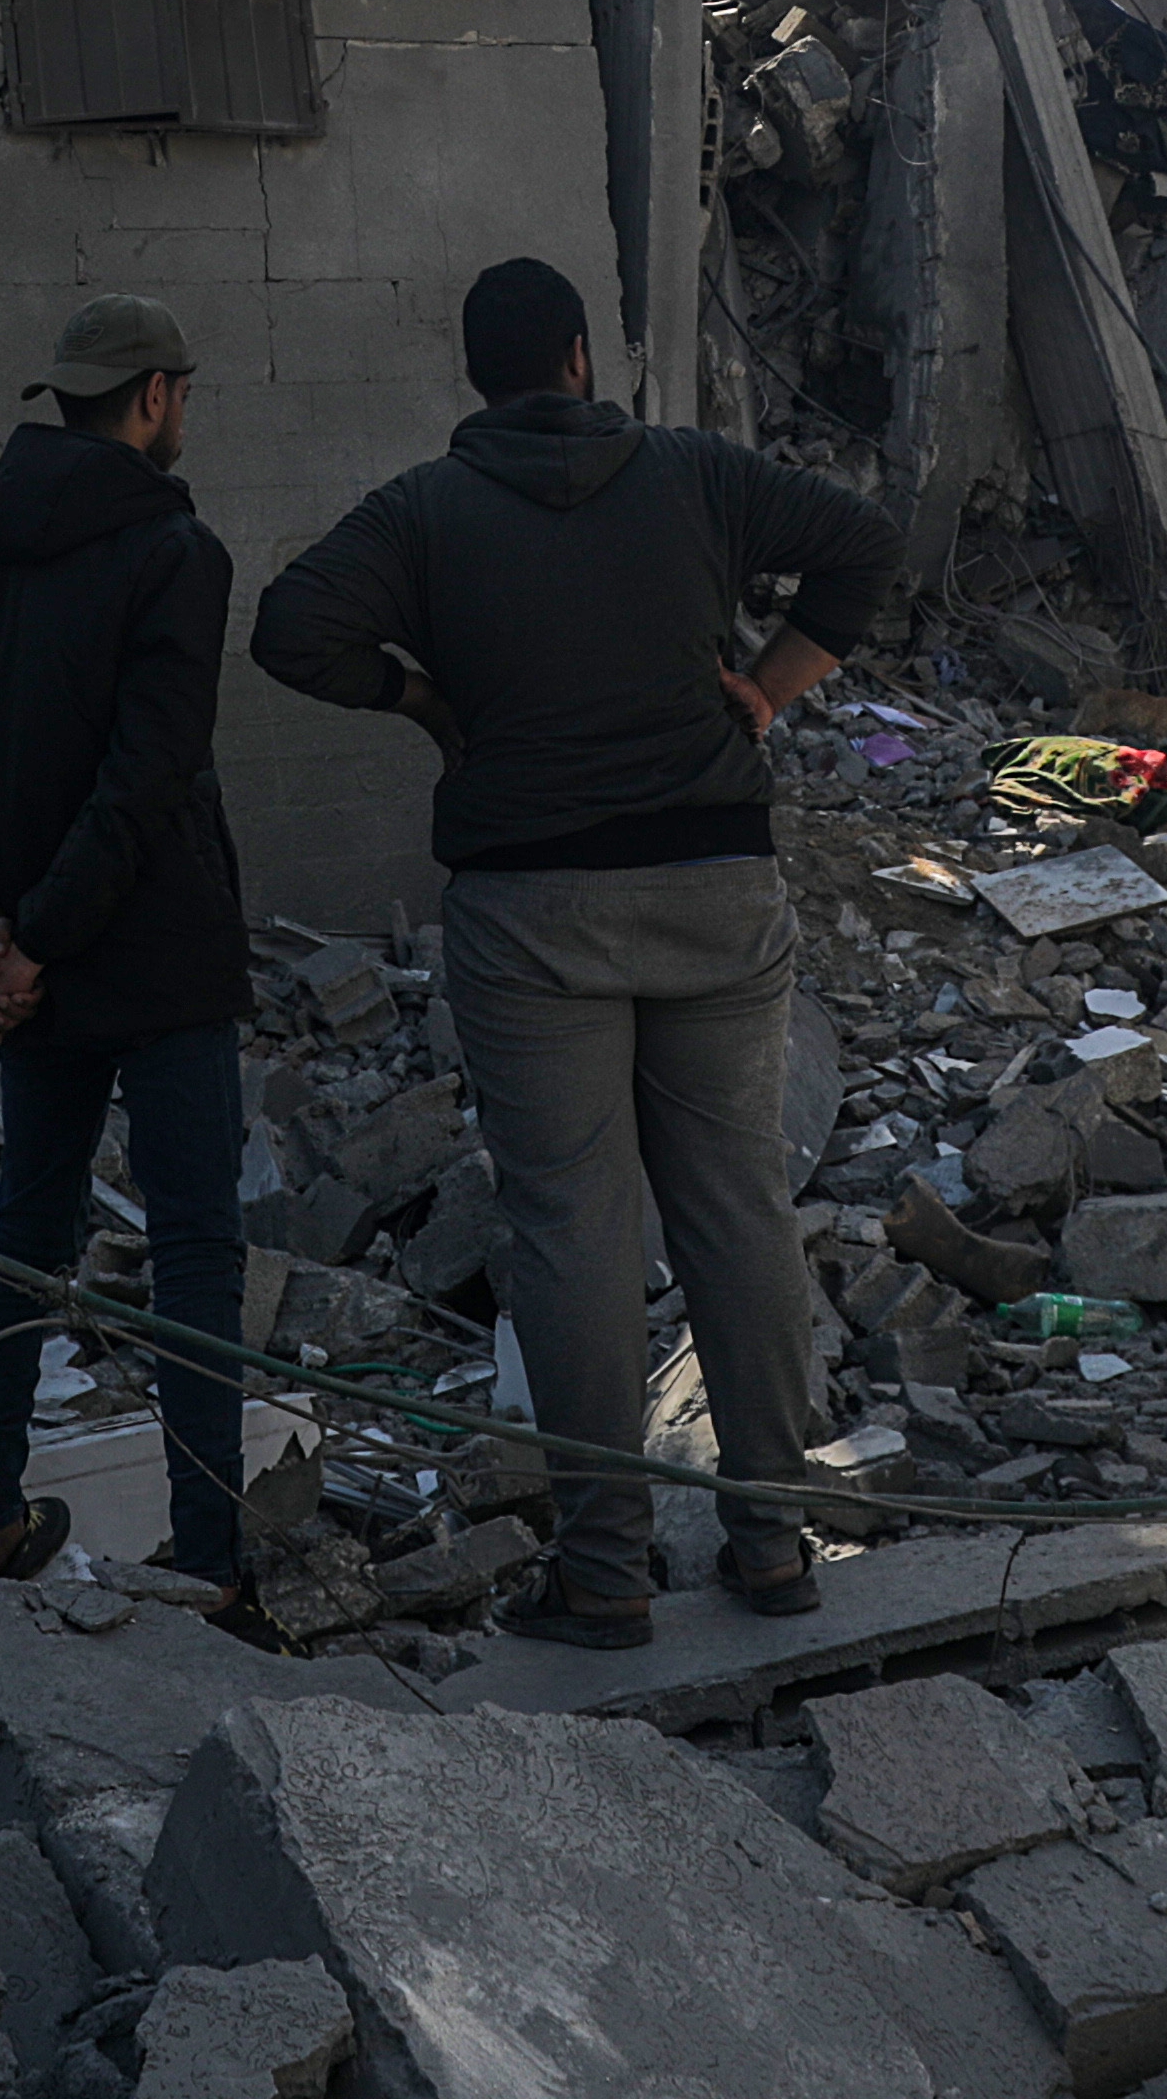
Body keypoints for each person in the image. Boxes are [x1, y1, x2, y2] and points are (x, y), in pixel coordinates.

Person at [249, 258, 895, 1649]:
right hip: (714, 886)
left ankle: (605, 1574)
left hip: (531, 909)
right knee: (737, 1209)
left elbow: (291, 628)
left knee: (570, 1229)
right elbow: (864, 543)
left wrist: (424, 700)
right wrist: (768, 689)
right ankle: (771, 1543)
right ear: (582, 360)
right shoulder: (694, 473)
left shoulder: (424, 510)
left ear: (478, 378)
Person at [0, 296, 249, 1597]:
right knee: (195, 1254)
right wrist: (27, 940)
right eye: (183, 392)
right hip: (159, 963)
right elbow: (147, 780)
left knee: (24, 1238)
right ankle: (213, 1565)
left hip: (35, 979)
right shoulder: (176, 553)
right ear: (153, 397)